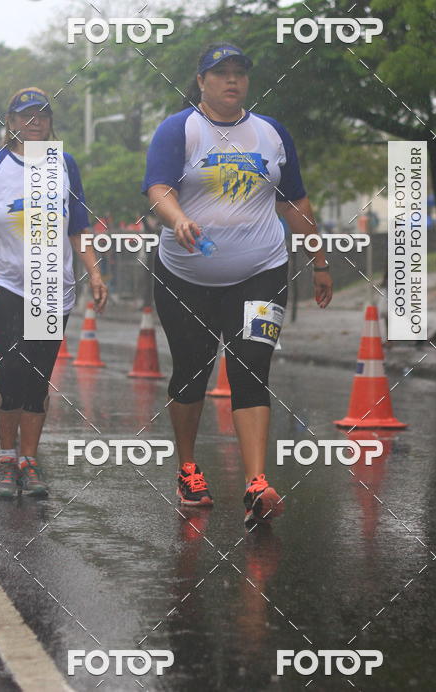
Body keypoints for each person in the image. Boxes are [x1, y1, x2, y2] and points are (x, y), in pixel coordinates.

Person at [142, 43, 333, 526]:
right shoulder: (179, 129)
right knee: (191, 371)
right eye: (220, 73)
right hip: (184, 277)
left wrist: (320, 259)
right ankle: (188, 468)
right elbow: (158, 188)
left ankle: (256, 483)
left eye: (239, 72)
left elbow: (294, 204)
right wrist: (179, 217)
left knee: (251, 367)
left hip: (261, 271)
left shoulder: (271, 133)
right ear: (201, 81)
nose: (232, 80)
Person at [0, 87, 108, 499]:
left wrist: (94, 273)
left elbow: (78, 225)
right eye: (25, 115)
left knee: (39, 376)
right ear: (11, 122)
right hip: (4, 284)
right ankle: (6, 459)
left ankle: (29, 459)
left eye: (41, 115)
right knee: (11, 370)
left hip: (50, 287)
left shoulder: (65, 165)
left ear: (49, 122)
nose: (34, 122)